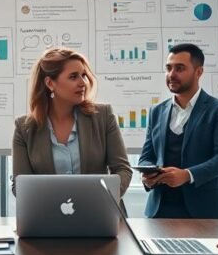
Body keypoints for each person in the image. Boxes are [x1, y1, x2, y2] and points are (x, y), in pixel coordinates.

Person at [11, 47, 132, 197]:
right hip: (48, 217)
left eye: (83, 75)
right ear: (50, 83)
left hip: (100, 215)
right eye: (73, 77)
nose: (83, 83)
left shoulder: (103, 116)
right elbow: (20, 185)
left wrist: (102, 200)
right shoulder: (25, 128)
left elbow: (123, 170)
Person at [138, 43, 218, 219]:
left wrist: (187, 175)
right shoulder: (156, 111)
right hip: (159, 211)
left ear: (199, 72)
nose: (171, 74)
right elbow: (147, 156)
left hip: (204, 211)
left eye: (179, 68)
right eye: (168, 68)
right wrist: (147, 175)